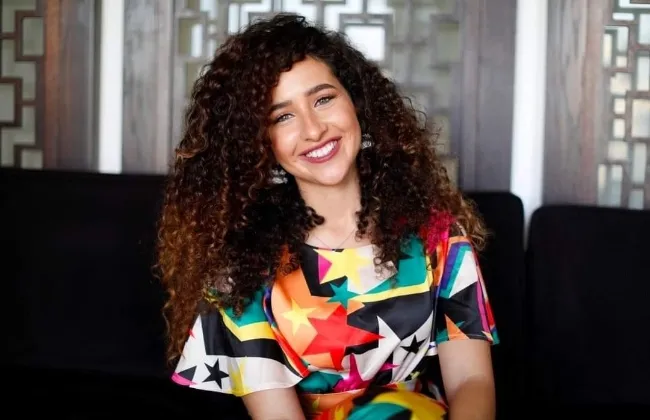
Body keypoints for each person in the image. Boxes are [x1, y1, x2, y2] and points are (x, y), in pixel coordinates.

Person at [156, 12, 498, 420]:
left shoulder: (438, 235)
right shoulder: (241, 270)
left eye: (323, 99)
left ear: (356, 103)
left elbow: (471, 382)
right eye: (283, 116)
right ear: (260, 144)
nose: (314, 129)